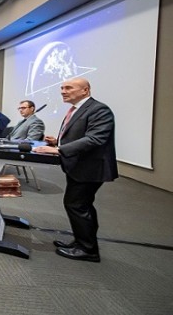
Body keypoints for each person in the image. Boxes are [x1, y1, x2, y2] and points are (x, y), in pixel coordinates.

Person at [33, 78, 118, 262]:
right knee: (81, 205)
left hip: (91, 167)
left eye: (68, 88)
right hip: (78, 166)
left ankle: (88, 250)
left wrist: (59, 149)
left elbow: (95, 138)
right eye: (62, 88)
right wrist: (57, 141)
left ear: (85, 90)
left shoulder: (99, 110)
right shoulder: (77, 109)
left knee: (77, 205)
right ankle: (81, 242)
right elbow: (78, 134)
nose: (63, 91)